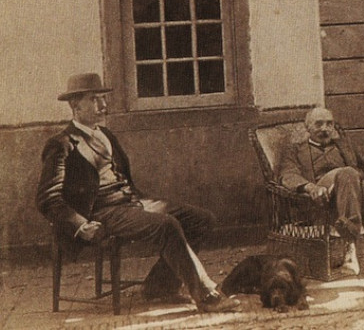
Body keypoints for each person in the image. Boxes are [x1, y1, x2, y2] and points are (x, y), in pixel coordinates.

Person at [36, 74, 236, 313]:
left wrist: (138, 201)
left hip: (131, 203)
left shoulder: (106, 135)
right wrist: (80, 225)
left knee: (201, 219)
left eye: (103, 98)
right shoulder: (62, 144)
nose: (103, 106)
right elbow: (48, 197)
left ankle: (160, 287)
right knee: (167, 225)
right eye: (94, 99)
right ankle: (205, 296)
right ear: (75, 105)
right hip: (100, 212)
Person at [279, 106, 364, 292]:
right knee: (348, 173)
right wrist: (310, 187)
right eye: (319, 124)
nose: (325, 128)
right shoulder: (296, 150)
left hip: (350, 204)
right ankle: (353, 240)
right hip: (322, 203)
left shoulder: (344, 146)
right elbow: (287, 175)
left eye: (329, 124)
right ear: (308, 128)